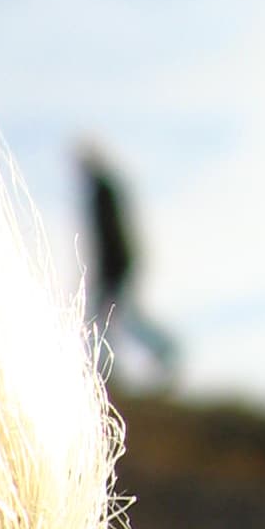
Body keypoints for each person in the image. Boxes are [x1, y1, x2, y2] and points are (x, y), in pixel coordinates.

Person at [77, 143, 180, 384]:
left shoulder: (101, 192)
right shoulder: (105, 190)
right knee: (112, 318)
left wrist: (106, 269)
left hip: (116, 265)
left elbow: (107, 235)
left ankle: (113, 367)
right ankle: (110, 368)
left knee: (109, 318)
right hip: (118, 263)